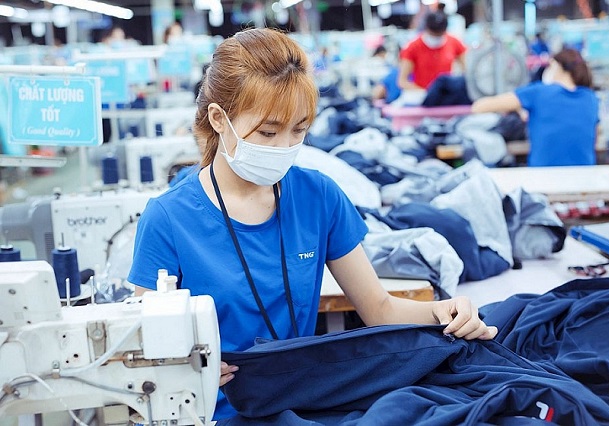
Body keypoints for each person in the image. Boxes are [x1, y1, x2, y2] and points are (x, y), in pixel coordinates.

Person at [128, 28, 497, 421]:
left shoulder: (318, 196)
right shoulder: (168, 219)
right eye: (268, 132)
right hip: (213, 412)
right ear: (219, 119)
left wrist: (445, 311)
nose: (285, 146)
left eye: (299, 130)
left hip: (304, 401)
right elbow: (144, 355)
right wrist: (185, 370)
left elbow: (380, 309)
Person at [471, 48, 599, 167]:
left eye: (550, 66)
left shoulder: (538, 92)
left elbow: (479, 107)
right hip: (583, 174)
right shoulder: (591, 98)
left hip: (543, 176)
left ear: (558, 67)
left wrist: (516, 107)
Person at [397, 5, 466, 93]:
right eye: (434, 34)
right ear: (426, 28)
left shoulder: (454, 42)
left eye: (439, 34)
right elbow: (402, 81)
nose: (436, 37)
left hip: (446, 93)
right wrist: (425, 93)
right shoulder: (412, 47)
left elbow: (467, 70)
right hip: (422, 94)